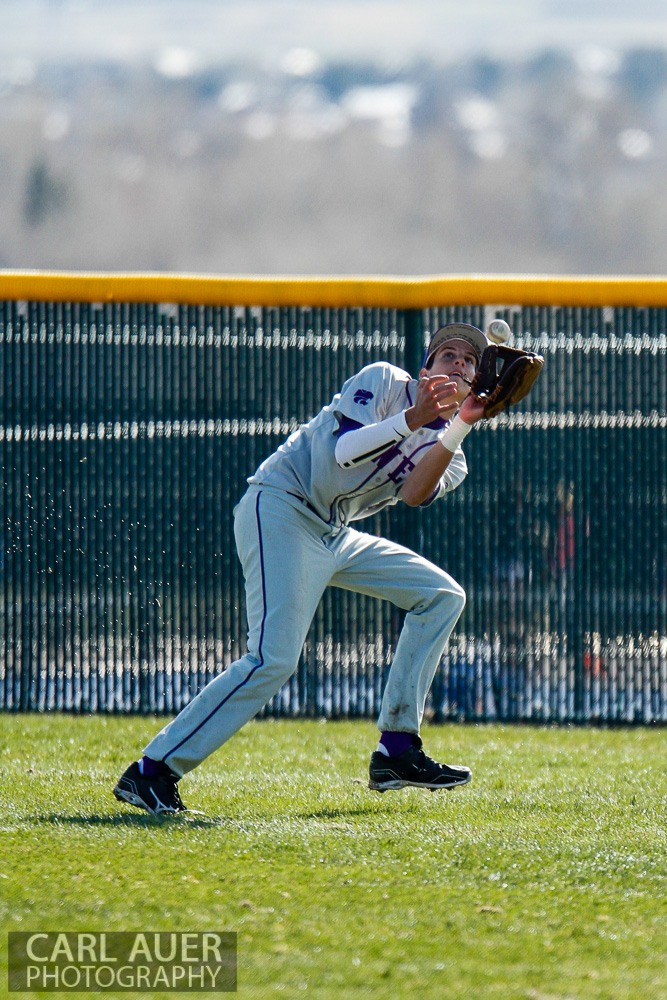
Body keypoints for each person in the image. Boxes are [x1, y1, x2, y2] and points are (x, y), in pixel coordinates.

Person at [113, 322, 489, 813]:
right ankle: (151, 772)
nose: (458, 362)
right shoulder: (383, 381)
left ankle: (397, 750)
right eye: (448, 354)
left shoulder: (452, 453)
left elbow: (415, 494)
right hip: (281, 505)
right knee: (272, 659)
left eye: (469, 361)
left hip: (334, 530)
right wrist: (414, 417)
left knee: (442, 596)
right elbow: (343, 452)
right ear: (425, 368)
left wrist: (458, 424)